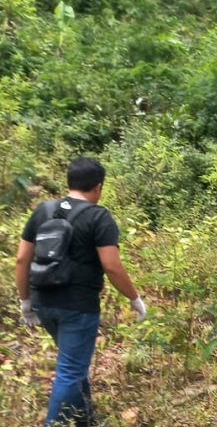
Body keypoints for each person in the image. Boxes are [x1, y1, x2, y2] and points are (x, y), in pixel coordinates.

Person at [15, 158, 147, 426]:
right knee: (71, 370)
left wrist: (25, 301)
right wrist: (134, 298)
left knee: (73, 362)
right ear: (98, 187)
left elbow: (21, 259)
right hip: (78, 306)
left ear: (70, 182)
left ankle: (85, 418)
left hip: (42, 302)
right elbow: (111, 265)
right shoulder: (98, 216)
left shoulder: (43, 211)